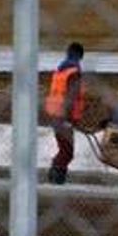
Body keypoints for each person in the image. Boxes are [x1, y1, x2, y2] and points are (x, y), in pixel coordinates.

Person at [44, 42, 86, 185]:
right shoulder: (74, 72)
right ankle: (56, 176)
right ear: (80, 56)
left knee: (65, 149)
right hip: (63, 116)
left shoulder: (60, 70)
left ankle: (56, 174)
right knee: (67, 151)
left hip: (55, 113)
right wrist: (68, 118)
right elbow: (71, 97)